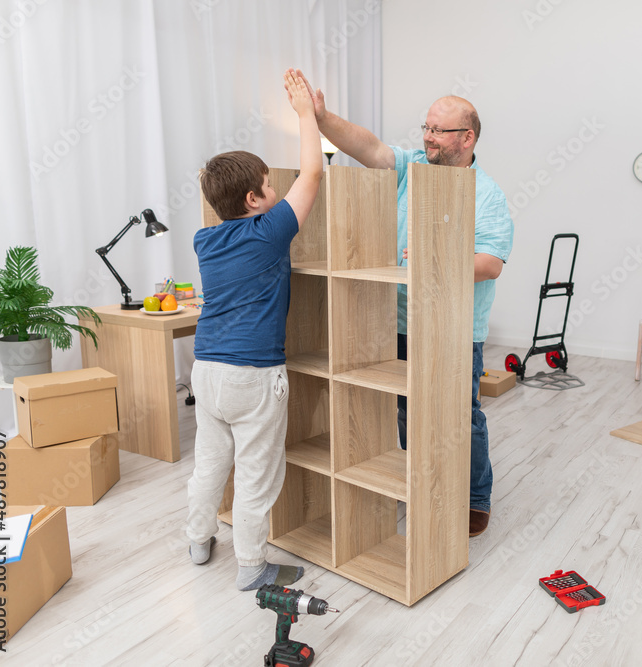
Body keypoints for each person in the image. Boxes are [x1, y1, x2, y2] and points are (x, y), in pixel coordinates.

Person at [308, 80, 514, 537]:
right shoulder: (412, 168)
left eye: (440, 131)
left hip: (454, 326)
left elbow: (491, 264)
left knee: (459, 414)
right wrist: (323, 120)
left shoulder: (487, 195)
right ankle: (421, 480)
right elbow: (369, 147)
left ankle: (474, 497)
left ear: (468, 138)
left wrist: (433, 259)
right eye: (427, 127)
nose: (428, 137)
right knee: (406, 410)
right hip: (397, 319)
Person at [186, 68, 323, 590]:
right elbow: (312, 174)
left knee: (210, 465)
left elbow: (292, 182)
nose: (276, 190)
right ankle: (252, 568)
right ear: (253, 200)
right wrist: (305, 113)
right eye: (269, 185)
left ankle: (199, 541)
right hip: (253, 377)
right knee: (257, 476)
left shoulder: (205, 239)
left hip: (208, 372)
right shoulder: (269, 233)